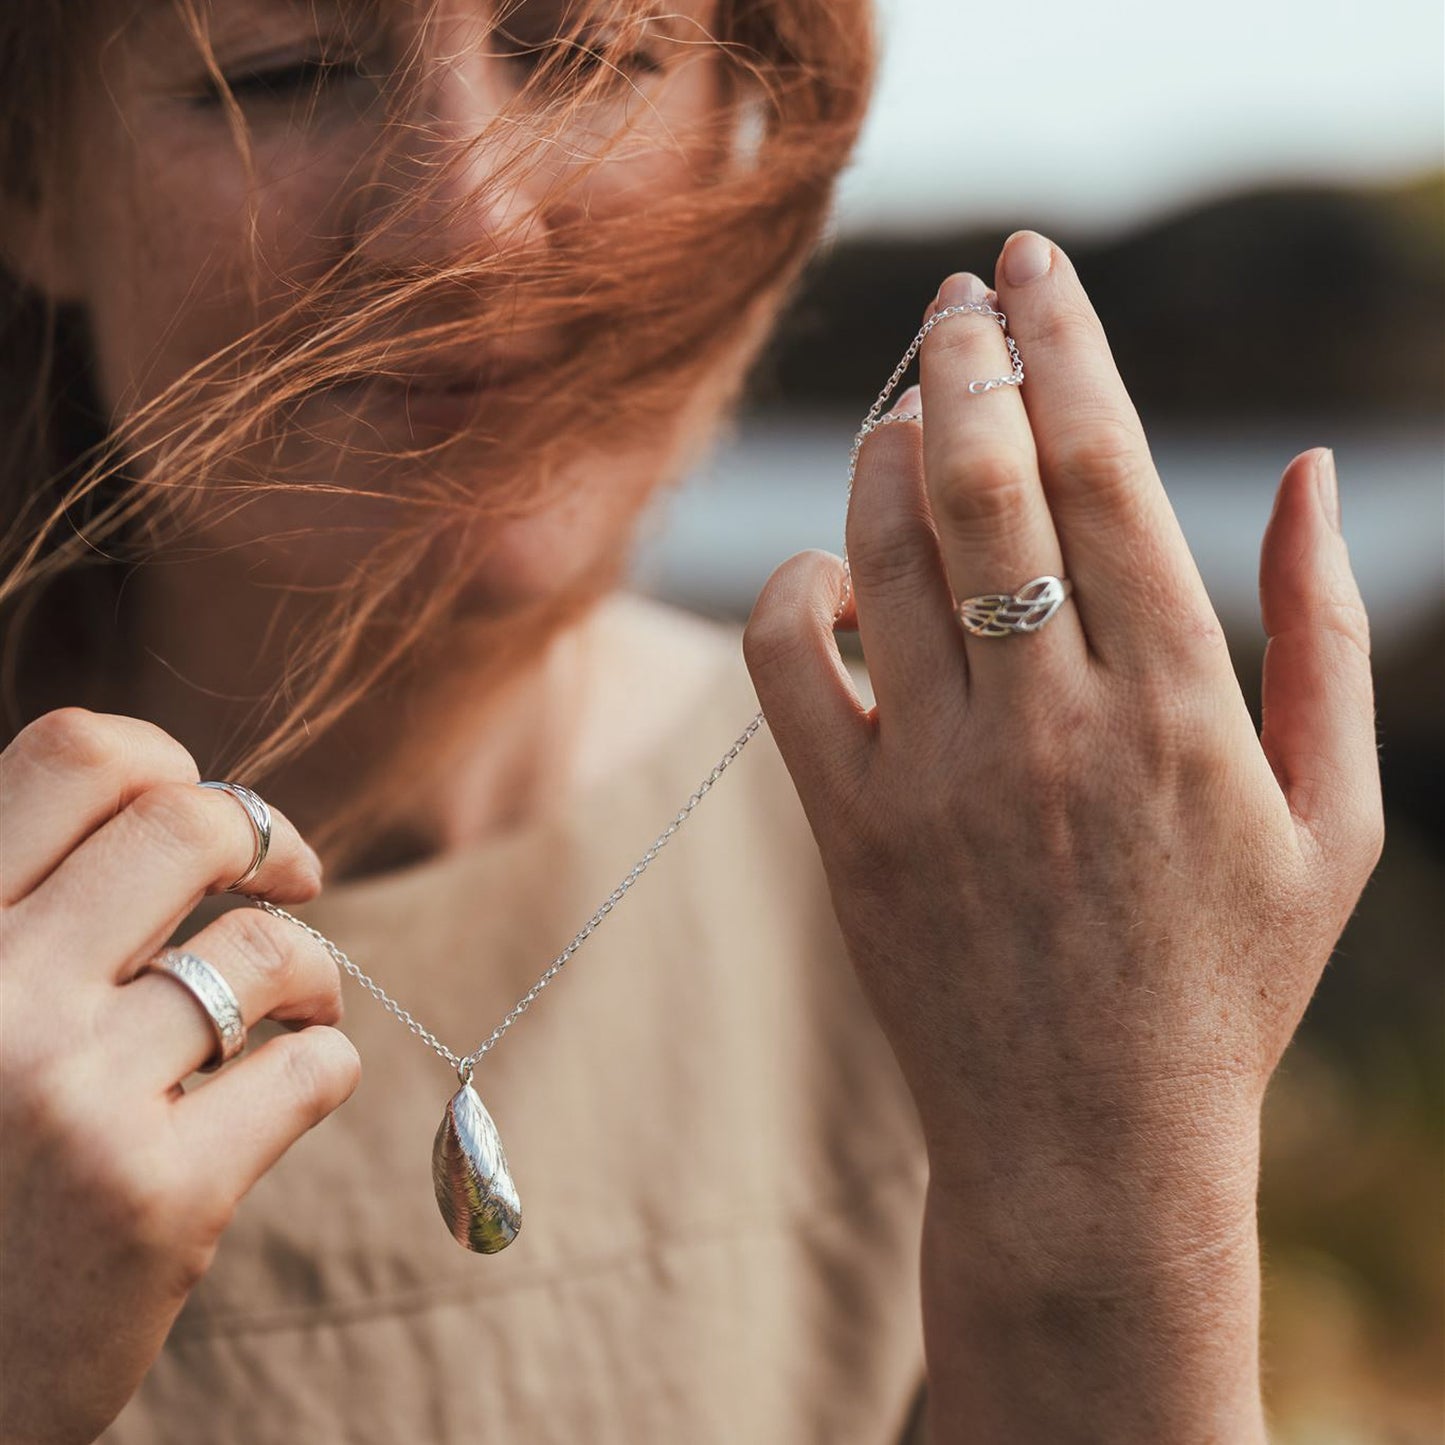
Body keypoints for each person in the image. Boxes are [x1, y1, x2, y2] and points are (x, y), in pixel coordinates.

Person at [0, 1, 1384, 1441]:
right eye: (285, 75)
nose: (467, 218)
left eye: (595, 48)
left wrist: (1125, 1222)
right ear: (33, 179)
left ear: (745, 112)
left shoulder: (985, 867)